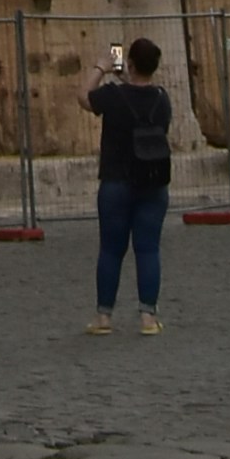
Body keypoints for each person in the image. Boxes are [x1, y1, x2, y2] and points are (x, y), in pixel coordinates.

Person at [83, 36, 173, 333]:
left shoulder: (113, 95)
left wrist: (102, 66)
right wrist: (128, 76)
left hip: (116, 180)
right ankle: (148, 316)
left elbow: (84, 96)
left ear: (129, 63)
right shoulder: (162, 98)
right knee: (148, 249)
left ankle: (104, 316)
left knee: (111, 249)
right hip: (153, 181)